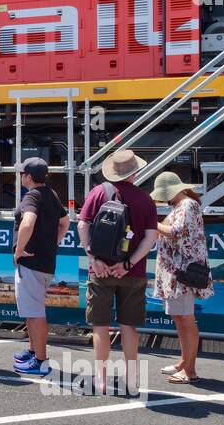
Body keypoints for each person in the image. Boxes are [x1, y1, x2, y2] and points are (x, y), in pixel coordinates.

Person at [77, 149, 159, 395]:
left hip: (100, 269)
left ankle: (101, 379)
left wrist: (93, 257)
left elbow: (83, 224)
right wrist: (129, 263)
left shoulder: (99, 192)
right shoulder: (146, 199)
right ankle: (131, 379)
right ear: (136, 171)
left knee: (100, 325)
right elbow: (151, 237)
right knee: (129, 326)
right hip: (132, 273)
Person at [151, 171, 213, 385]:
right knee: (181, 318)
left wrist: (153, 223)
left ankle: (190, 369)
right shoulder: (185, 204)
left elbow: (177, 231)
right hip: (178, 273)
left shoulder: (186, 205)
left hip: (182, 273)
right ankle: (184, 363)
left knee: (185, 319)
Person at [11, 157, 68, 376]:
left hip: (32, 264)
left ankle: (40, 360)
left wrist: (18, 250)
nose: (21, 177)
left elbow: (28, 221)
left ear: (28, 176)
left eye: (22, 174)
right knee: (32, 310)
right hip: (45, 262)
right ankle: (33, 351)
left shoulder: (32, 196)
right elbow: (65, 222)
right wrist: (54, 241)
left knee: (34, 313)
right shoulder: (51, 194)